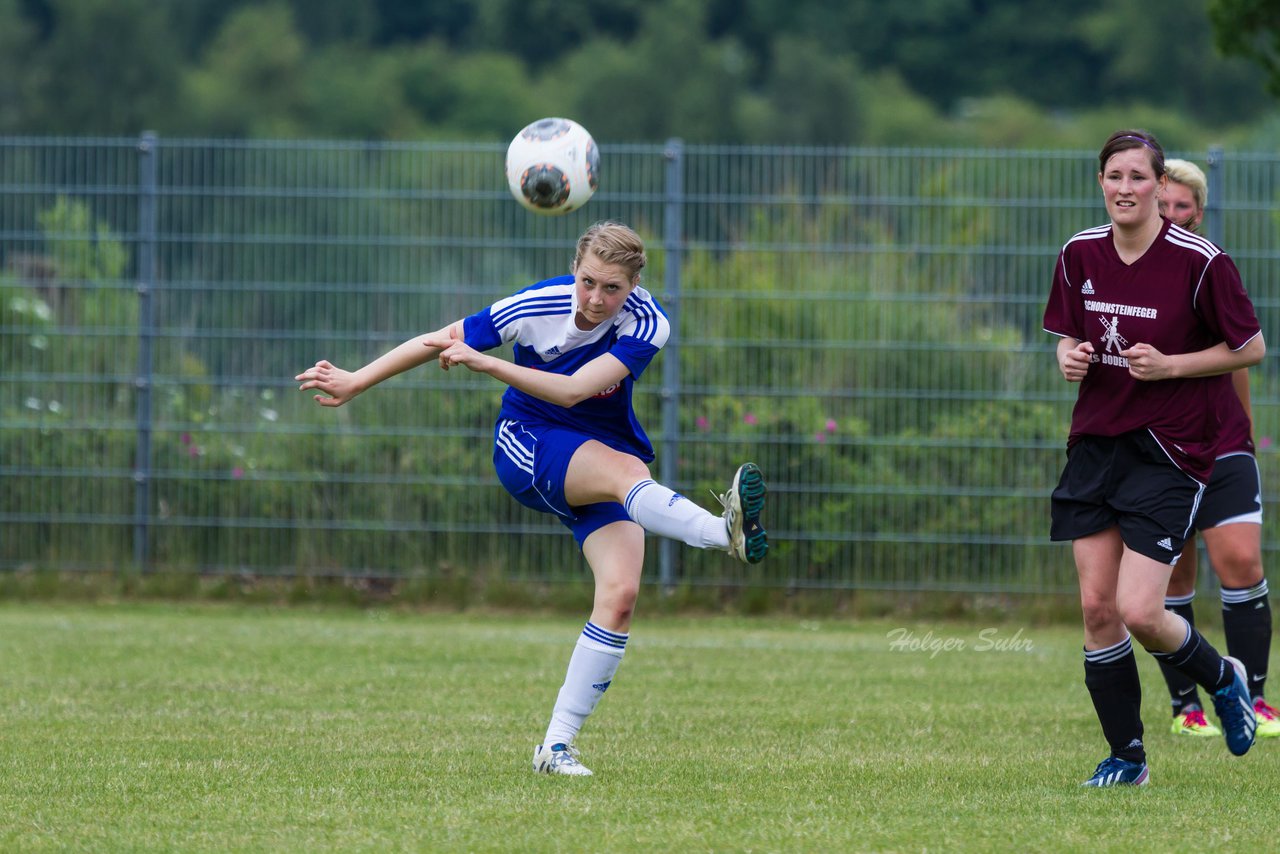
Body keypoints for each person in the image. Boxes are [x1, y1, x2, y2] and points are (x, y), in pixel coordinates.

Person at [296, 221, 768, 777]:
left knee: (619, 596)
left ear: (634, 286)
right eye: (588, 281)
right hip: (528, 443)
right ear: (575, 268)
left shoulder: (648, 322)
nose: (596, 299)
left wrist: (488, 363)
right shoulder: (535, 304)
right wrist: (356, 381)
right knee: (627, 470)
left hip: (598, 454)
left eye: (612, 289)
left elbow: (574, 390)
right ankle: (722, 532)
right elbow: (438, 339)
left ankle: (555, 748)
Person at [1043, 130, 1265, 787]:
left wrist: (1172, 367)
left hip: (1169, 450)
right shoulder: (1079, 253)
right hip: (1095, 445)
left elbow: (1249, 346)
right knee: (1096, 609)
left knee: (1141, 610)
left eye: (1138, 177)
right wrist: (1067, 357)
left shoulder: (1199, 261)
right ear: (1100, 182)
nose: (1125, 188)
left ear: (1159, 186)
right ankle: (1127, 758)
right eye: (1114, 175)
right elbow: (1066, 339)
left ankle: (1223, 678)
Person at [1153, 159, 1279, 739]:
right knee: (1174, 576)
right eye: (1164, 205)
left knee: (1243, 564)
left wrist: (1246, 438)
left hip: (1223, 442)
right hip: (1159, 447)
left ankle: (1255, 699)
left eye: (1183, 207)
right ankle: (1188, 709)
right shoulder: (1130, 275)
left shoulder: (1211, 269)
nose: (1172, 215)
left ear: (1197, 214)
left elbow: (1244, 352)